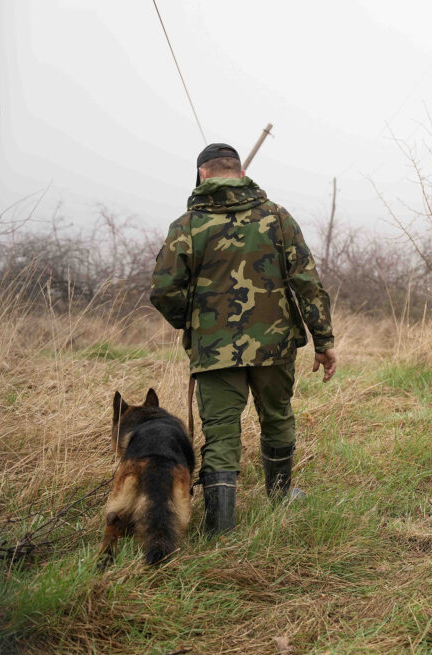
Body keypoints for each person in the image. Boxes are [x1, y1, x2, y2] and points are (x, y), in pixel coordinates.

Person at [150, 143, 337, 536]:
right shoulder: (277, 217)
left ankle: (221, 526)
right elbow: (307, 281)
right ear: (239, 172)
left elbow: (164, 290)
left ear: (203, 174)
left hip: (214, 351)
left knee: (220, 431)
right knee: (277, 416)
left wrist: (196, 323)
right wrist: (323, 340)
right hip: (275, 345)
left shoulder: (187, 225)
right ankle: (281, 495)